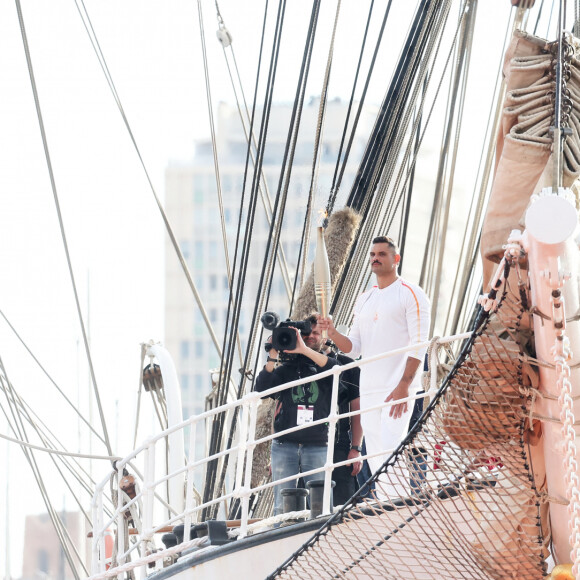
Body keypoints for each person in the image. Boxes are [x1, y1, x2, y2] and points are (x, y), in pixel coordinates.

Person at [318, 236, 431, 497]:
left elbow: (419, 343)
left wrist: (404, 384)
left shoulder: (411, 293)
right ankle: (387, 504)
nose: (375, 258)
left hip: (397, 387)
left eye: (381, 253)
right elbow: (354, 348)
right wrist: (332, 333)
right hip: (369, 388)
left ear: (396, 259)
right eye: (372, 254)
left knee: (392, 446)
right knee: (376, 454)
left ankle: (400, 503)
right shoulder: (365, 298)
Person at [254, 315, 341, 516]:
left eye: (315, 333)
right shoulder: (286, 370)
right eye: (304, 334)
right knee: (281, 506)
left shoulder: (327, 366)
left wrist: (303, 349)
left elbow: (335, 370)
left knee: (321, 506)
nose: (309, 336)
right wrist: (273, 353)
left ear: (324, 338)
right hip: (285, 444)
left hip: (317, 444)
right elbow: (262, 389)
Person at [324, 345, 363, 506]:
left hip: (339, 445)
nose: (311, 336)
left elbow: (357, 409)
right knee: (304, 507)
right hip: (302, 446)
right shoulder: (296, 362)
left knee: (343, 506)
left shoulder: (348, 366)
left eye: (317, 332)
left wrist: (356, 448)